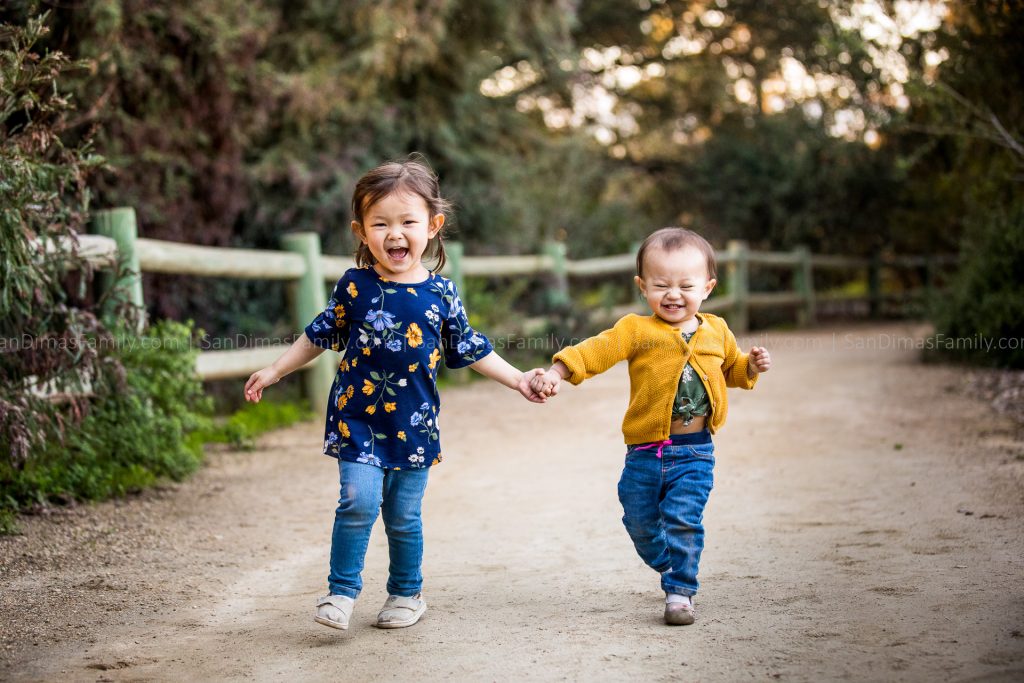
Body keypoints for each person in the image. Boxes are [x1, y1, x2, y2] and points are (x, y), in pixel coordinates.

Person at [244, 156, 546, 631]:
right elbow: (320, 334)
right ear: (361, 231)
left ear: (433, 225)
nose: (394, 233)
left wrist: (519, 380)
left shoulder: (441, 293)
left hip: (414, 425)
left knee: (403, 517)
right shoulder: (355, 286)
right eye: (380, 223)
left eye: (408, 221)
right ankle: (341, 593)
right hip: (356, 419)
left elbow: (470, 346)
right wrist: (275, 369)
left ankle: (406, 593)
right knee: (357, 502)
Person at [530, 227, 771, 625]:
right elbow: (596, 350)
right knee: (638, 519)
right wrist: (559, 370)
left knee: (683, 517)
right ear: (643, 287)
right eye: (661, 285)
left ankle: (680, 592)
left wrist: (750, 366)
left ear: (707, 287)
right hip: (644, 451)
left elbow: (731, 370)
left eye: (685, 285)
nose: (673, 294)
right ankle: (669, 561)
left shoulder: (717, 330)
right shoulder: (636, 331)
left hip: (695, 451)